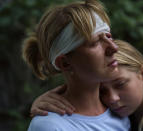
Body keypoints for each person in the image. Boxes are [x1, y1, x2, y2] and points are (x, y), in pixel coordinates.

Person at [30, 40, 143, 131]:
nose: (112, 99)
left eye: (121, 84)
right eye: (102, 91)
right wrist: (44, 102)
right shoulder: (127, 113)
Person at [22, 0, 131, 131]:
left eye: (109, 36)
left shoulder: (124, 106)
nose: (114, 47)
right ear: (65, 63)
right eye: (95, 42)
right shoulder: (51, 126)